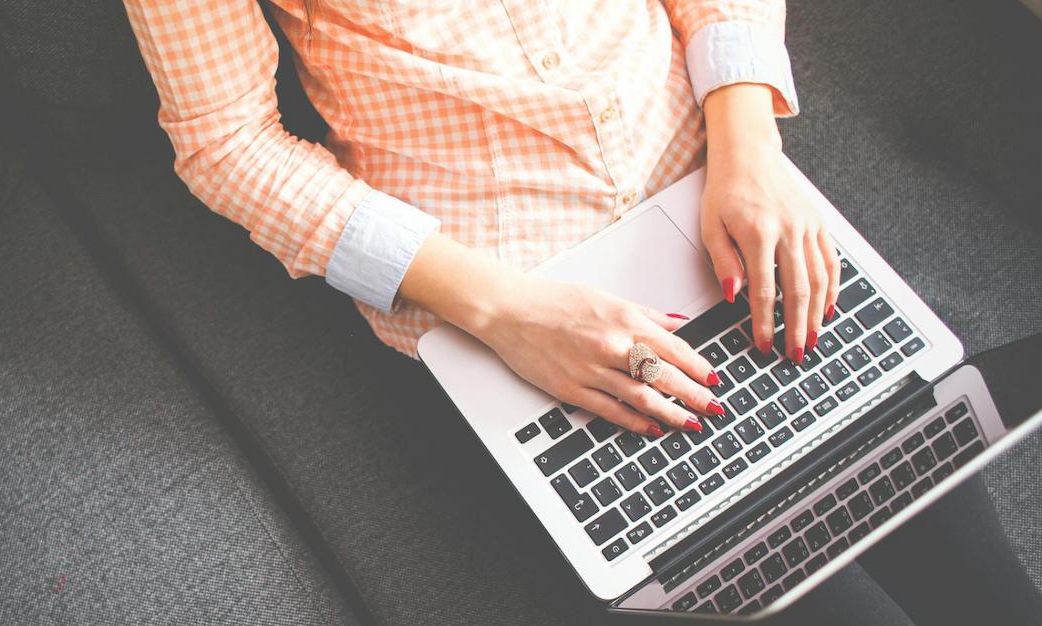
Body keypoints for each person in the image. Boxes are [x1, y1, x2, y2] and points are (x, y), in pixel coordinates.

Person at [122, 2, 1042, 623]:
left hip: (718, 194)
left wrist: (750, 143)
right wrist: (508, 310)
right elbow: (226, 142)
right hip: (508, 300)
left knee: (979, 575)